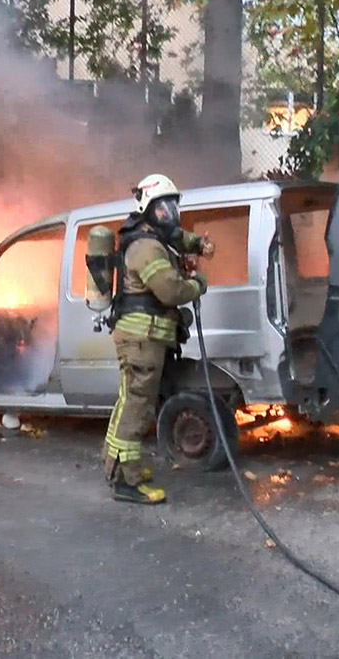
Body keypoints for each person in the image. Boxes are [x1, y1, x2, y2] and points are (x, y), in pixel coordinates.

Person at [101, 173, 213, 504]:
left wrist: (198, 245)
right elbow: (170, 291)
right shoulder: (147, 247)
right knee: (137, 406)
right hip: (141, 340)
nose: (170, 215)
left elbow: (176, 235)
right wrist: (199, 283)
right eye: (163, 209)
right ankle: (127, 482)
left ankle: (115, 466)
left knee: (127, 402)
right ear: (147, 209)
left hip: (141, 339)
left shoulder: (150, 235)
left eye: (172, 208)